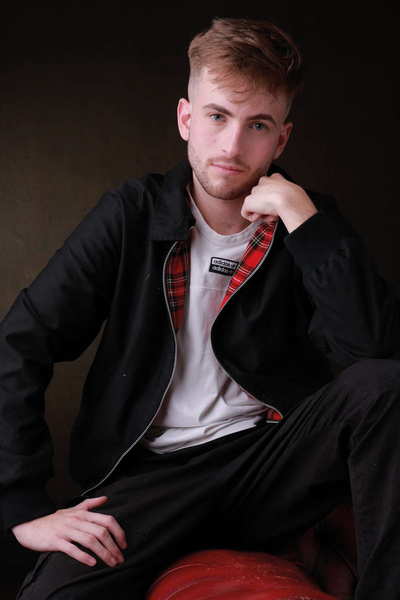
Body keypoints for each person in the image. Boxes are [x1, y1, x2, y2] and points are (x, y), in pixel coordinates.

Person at [1, 16, 400, 600]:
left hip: (269, 467)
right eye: (217, 116)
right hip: (154, 484)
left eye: (257, 125)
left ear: (281, 140)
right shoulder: (131, 214)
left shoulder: (308, 223)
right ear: (186, 119)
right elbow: (20, 341)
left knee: (388, 385)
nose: (232, 146)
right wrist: (21, 504)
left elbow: (375, 354)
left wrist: (305, 221)